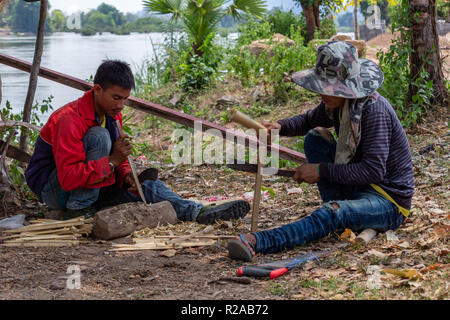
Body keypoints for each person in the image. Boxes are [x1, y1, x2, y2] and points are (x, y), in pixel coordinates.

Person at [227, 41, 415, 261]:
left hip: (387, 201)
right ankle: (341, 210)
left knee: (332, 212)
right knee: (316, 136)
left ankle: (260, 241)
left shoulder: (374, 111)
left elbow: (373, 172)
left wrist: (321, 171)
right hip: (357, 186)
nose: (322, 93)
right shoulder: (337, 104)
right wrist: (281, 127)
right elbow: (308, 120)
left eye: (329, 87)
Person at [25, 60, 250, 223]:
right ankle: (78, 212)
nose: (121, 105)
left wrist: (125, 174)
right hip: (56, 191)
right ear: (97, 89)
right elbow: (68, 178)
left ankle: (198, 213)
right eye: (116, 98)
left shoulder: (112, 113)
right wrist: (112, 162)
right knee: (99, 136)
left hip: (93, 182)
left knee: (148, 187)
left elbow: (118, 157)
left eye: (125, 99)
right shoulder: (68, 120)